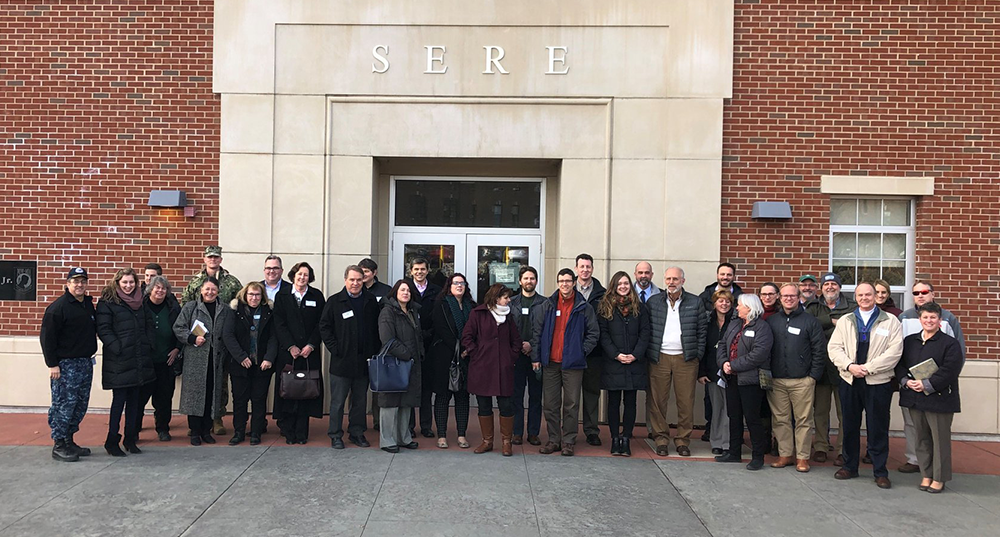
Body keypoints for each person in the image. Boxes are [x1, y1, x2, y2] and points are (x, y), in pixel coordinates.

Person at [828, 282, 903, 489]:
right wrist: (850, 366)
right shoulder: (846, 320)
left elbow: (894, 352)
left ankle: (880, 471)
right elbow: (834, 348)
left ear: (876, 297)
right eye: (860, 295)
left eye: (868, 294)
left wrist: (868, 368)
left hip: (877, 381)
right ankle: (850, 466)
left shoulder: (891, 321)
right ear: (856, 297)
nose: (865, 298)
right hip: (850, 380)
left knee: (877, 426)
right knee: (850, 425)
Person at [897, 280, 966, 474]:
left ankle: (938, 472)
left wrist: (938, 382)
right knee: (914, 427)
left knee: (937, 432)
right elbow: (898, 354)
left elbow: (958, 354)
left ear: (933, 294)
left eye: (924, 292)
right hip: (912, 388)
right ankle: (915, 460)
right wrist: (906, 381)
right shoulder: (904, 318)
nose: (920, 295)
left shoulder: (948, 319)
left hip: (939, 390)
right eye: (916, 292)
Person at [532, 268, 599, 456]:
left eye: (568, 281)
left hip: (573, 364)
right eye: (561, 281)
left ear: (574, 282)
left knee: (571, 404)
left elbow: (593, 333)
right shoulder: (547, 305)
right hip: (550, 364)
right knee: (551, 404)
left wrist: (581, 351)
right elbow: (537, 333)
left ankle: (568, 441)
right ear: (557, 283)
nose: (564, 284)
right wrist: (536, 357)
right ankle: (554, 440)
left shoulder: (583, 307)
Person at [645, 267, 707, 457]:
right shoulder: (653, 302)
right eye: (669, 279)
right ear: (664, 280)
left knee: (686, 402)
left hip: (685, 358)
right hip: (659, 357)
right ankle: (661, 439)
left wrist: (696, 355)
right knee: (657, 402)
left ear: (683, 281)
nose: (672, 282)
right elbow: (647, 329)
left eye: (676, 279)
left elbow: (702, 331)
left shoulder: (695, 302)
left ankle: (682, 440)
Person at [182, 245, 242, 436]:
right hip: (198, 344)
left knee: (220, 382)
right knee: (198, 385)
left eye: (216, 257)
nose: (213, 260)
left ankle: (217, 417)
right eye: (210, 257)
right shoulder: (195, 282)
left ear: (221, 259)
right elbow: (186, 306)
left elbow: (240, 305)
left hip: (221, 343)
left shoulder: (232, 282)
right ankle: (197, 423)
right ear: (205, 258)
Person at [765, 284, 826, 472]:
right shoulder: (772, 321)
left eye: (792, 296)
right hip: (777, 380)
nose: (788, 299)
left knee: (803, 420)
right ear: (779, 298)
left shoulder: (810, 321)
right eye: (785, 296)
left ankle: (802, 458)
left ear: (799, 297)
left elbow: (819, 350)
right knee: (780, 420)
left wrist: (813, 376)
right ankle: (785, 455)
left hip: (802, 381)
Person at [41, 267, 98, 462]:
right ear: (67, 284)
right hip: (65, 365)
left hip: (85, 362)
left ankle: (69, 440)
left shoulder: (87, 305)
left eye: (83, 281)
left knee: (80, 404)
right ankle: (59, 444)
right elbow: (47, 339)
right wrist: (52, 364)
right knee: (64, 404)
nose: (80, 285)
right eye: (75, 281)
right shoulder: (58, 308)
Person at [96, 268, 155, 456]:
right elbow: (103, 329)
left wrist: (148, 345)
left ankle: (130, 439)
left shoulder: (141, 302)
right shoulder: (108, 302)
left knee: (135, 403)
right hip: (119, 361)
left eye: (131, 282)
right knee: (118, 402)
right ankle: (112, 440)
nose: (128, 286)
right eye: (125, 282)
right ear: (117, 283)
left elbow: (147, 326)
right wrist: (117, 347)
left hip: (139, 359)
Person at [319, 265, 380, 449]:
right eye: (352, 279)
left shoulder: (370, 300)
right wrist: (336, 349)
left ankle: (357, 432)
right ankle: (335, 434)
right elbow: (324, 327)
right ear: (345, 280)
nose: (355, 283)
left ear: (364, 280)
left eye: (359, 280)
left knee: (360, 401)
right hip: (342, 361)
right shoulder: (335, 301)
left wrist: (373, 351)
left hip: (363, 361)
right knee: (337, 402)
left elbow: (376, 328)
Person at [462, 283, 522, 456]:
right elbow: (467, 337)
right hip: (482, 368)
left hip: (504, 368)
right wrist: (476, 353)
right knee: (484, 405)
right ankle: (487, 441)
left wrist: (511, 356)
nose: (509, 300)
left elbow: (516, 340)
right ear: (496, 298)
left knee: (506, 405)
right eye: (506, 297)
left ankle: (506, 442)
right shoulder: (478, 314)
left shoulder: (508, 317)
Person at [715, 293, 773, 470]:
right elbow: (722, 345)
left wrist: (734, 365)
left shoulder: (762, 328)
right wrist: (724, 363)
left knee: (752, 418)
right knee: (734, 415)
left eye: (740, 305)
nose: (737, 307)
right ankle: (734, 452)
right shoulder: (734, 324)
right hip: (732, 379)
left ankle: (757, 456)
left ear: (749, 307)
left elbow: (758, 354)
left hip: (751, 381)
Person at [597, 272, 650, 457]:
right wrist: (616, 355)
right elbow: (603, 335)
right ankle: (614, 438)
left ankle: (626, 438)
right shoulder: (605, 307)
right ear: (614, 285)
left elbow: (645, 334)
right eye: (619, 283)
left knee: (630, 402)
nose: (623, 286)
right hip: (614, 363)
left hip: (634, 363)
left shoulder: (640, 308)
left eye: (626, 283)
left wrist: (635, 355)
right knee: (613, 403)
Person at [272, 262, 326, 444]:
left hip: (309, 353)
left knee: (305, 390)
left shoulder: (316, 296)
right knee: (288, 390)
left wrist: (311, 345)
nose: (302, 278)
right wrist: (290, 346)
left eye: (306, 275)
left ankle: (302, 433)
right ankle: (288, 431)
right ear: (293, 276)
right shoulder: (283, 296)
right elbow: (278, 323)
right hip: (289, 353)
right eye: (299, 274)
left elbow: (322, 323)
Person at [173, 277, 231, 446]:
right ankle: (195, 432)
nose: (210, 292)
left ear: (218, 291)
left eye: (213, 289)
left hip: (216, 359)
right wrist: (191, 338)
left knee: (211, 395)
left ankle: (206, 430)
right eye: (207, 289)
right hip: (196, 359)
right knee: (195, 396)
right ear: (201, 290)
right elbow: (178, 327)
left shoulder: (225, 309)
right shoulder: (191, 308)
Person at [805, 272, 855, 465]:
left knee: (845, 412)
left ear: (840, 287)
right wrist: (833, 322)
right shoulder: (813, 306)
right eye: (827, 285)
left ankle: (844, 449)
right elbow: (809, 326)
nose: (830, 287)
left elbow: (852, 327)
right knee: (820, 411)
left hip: (845, 367)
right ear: (822, 288)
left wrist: (827, 325)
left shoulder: (852, 307)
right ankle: (821, 447)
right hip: (821, 366)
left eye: (834, 284)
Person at [222, 282, 276, 446]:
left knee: (259, 400)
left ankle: (256, 432)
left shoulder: (269, 312)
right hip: (240, 365)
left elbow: (274, 337)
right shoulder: (235, 311)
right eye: (251, 294)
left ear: (262, 297)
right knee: (240, 400)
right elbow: (228, 336)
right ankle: (239, 432)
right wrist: (241, 357)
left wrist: (269, 358)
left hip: (262, 365)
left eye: (258, 295)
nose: (254, 298)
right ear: (245, 295)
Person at [427, 273, 475, 449]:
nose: (459, 286)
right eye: (456, 283)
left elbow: (476, 330)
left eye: (462, 283)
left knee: (463, 397)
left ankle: (462, 435)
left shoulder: (472, 306)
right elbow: (440, 328)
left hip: (466, 358)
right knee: (443, 396)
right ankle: (442, 435)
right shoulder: (441, 304)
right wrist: (458, 347)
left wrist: (467, 348)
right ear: (449, 286)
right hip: (444, 356)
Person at [376, 280, 424, 453]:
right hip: (394, 363)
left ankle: (404, 437)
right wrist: (408, 354)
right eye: (402, 290)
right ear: (395, 292)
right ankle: (387, 440)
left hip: (410, 364)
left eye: (408, 290)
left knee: (406, 402)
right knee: (390, 403)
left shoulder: (412, 311)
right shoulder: (388, 312)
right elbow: (387, 339)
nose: (406, 293)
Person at [139, 275, 181, 442]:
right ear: (150, 289)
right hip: (146, 361)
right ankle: (134, 428)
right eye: (157, 287)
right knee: (140, 397)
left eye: (163, 288)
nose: (160, 291)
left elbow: (181, 328)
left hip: (166, 361)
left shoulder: (172, 308)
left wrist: (177, 347)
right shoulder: (141, 307)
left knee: (164, 398)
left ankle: (163, 428)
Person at [403, 256, 440, 438]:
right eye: (416, 269)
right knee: (410, 388)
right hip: (410, 347)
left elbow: (439, 318)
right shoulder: (404, 289)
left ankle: (426, 426)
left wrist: (429, 335)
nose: (419, 272)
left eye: (422, 269)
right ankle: (409, 426)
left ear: (428, 270)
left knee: (426, 389)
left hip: (430, 346)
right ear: (411, 271)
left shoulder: (436, 291)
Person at [509, 266, 543, 446]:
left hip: (536, 356)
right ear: (520, 281)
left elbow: (545, 331)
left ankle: (533, 433)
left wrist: (531, 345)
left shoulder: (545, 303)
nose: (529, 281)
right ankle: (516, 432)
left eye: (532, 278)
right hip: (516, 356)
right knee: (517, 396)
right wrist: (519, 345)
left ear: (536, 281)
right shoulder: (512, 303)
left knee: (536, 397)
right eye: (526, 278)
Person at [575, 253, 607, 447]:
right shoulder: (567, 290)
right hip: (571, 353)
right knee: (570, 396)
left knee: (592, 394)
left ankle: (591, 431)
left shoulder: (603, 295)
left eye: (588, 266)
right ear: (576, 268)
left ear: (592, 269)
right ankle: (568, 431)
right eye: (582, 266)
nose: (585, 270)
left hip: (594, 353)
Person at [698, 290, 734, 456]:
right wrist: (701, 372)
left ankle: (728, 443)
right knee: (716, 408)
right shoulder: (707, 321)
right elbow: (703, 348)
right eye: (720, 301)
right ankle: (716, 442)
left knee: (729, 409)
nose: (724, 304)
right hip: (712, 372)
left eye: (727, 301)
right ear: (714, 303)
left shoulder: (736, 321)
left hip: (731, 372)